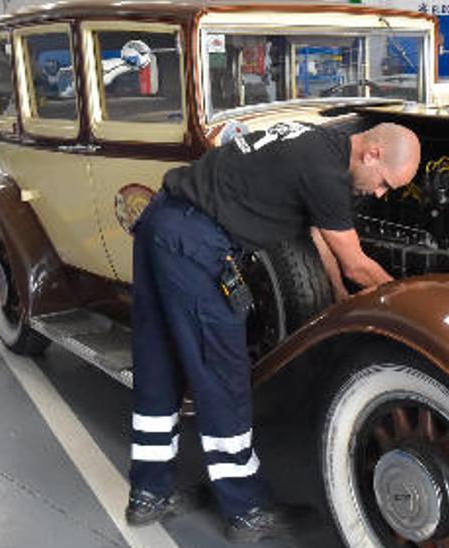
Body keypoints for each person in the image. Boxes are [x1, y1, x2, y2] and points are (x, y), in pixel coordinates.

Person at [125, 121, 420, 542]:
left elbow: (321, 236)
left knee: (159, 361)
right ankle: (247, 510)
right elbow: (356, 262)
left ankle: (149, 492)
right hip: (194, 244)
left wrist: (336, 292)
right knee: (223, 375)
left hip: (161, 223)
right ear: (372, 153)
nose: (379, 194)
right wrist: (409, 301)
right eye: (385, 184)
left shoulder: (321, 142)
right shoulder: (325, 170)